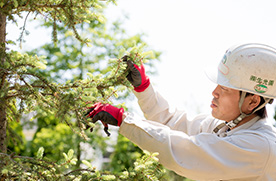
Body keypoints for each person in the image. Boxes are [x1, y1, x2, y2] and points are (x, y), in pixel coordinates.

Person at [86, 43, 276, 181]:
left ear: (252, 101)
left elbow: (186, 152)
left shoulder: (259, 147)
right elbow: (172, 122)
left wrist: (123, 119)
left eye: (225, 89)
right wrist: (144, 88)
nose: (214, 92)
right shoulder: (225, 127)